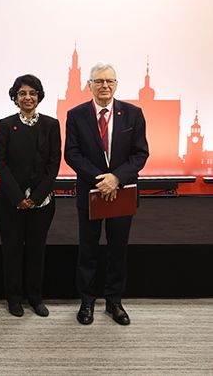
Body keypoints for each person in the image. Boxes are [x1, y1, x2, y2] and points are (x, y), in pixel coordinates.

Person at [65, 63, 149, 326]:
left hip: (121, 192)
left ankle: (114, 302)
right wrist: (100, 180)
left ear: (116, 84)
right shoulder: (76, 114)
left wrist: (116, 178)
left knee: (117, 249)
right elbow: (72, 153)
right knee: (87, 250)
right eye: (99, 81)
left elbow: (140, 154)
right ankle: (87, 302)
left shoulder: (133, 114)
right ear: (89, 85)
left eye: (110, 81)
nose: (104, 86)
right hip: (91, 192)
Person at [0, 74, 61, 318]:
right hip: (11, 201)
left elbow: (54, 164)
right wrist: (17, 196)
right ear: (15, 97)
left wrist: (35, 197)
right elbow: (0, 162)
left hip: (41, 201)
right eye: (22, 93)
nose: (28, 97)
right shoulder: (5, 124)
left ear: (39, 96)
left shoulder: (51, 125)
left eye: (32, 93)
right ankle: (14, 298)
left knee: (36, 250)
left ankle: (35, 297)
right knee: (12, 249)